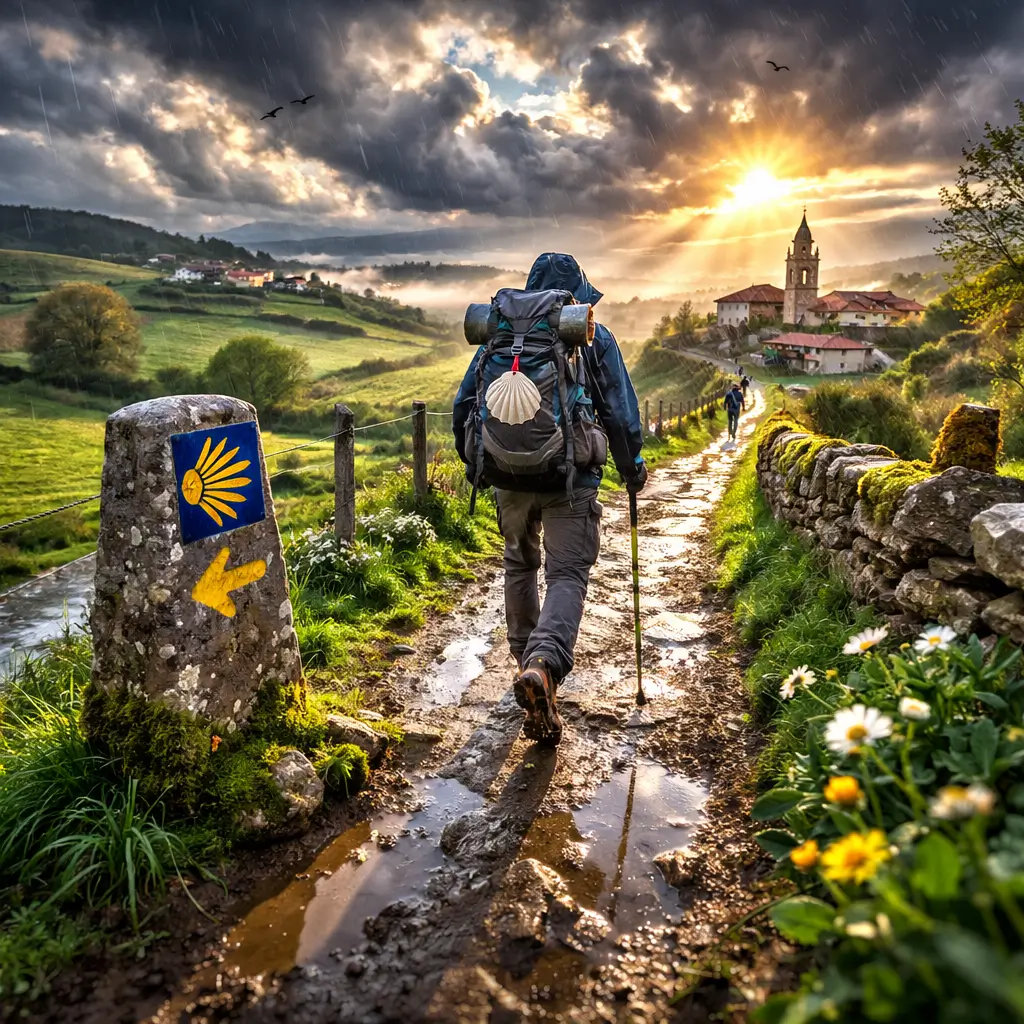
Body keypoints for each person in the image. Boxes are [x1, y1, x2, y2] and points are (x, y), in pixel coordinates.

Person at [453, 253, 647, 746]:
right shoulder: (593, 336)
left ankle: (526, 665)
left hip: (507, 476)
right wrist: (632, 470)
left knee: (519, 565)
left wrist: (483, 462)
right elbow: (619, 414)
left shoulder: (504, 333)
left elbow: (464, 405)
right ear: (578, 293)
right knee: (566, 574)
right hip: (571, 478)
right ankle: (543, 667)